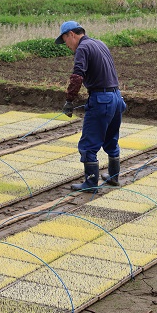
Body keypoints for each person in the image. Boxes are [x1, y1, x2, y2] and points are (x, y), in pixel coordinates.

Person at [55, 21, 127, 191]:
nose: (66, 45)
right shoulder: (99, 43)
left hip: (101, 100)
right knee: (111, 140)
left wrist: (69, 100)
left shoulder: (82, 48)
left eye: (65, 40)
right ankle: (114, 177)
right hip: (116, 97)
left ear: (71, 34)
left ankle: (90, 183)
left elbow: (77, 76)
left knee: (88, 145)